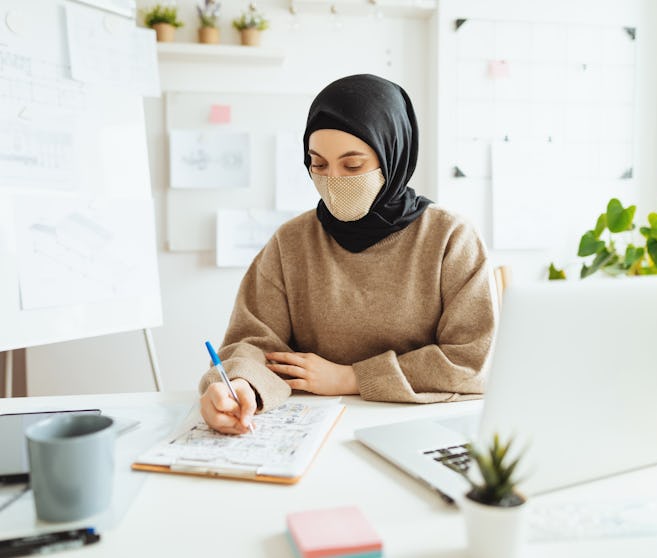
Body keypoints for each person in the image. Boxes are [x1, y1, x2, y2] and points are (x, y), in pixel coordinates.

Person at [199, 74, 496, 435]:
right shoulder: (291, 242)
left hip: (419, 428)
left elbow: (472, 361)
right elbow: (255, 343)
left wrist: (351, 377)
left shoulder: (450, 238)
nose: (333, 180)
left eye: (352, 166)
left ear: (392, 155)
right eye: (319, 164)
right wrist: (243, 385)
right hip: (312, 428)